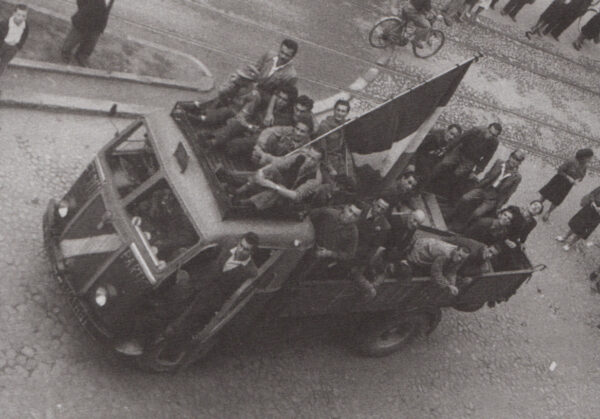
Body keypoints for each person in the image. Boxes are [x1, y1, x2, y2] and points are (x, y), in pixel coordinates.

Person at [218, 147, 323, 211]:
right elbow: (278, 164)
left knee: (277, 191)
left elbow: (296, 196)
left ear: (318, 163)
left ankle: (244, 203)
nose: (308, 160)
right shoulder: (300, 157)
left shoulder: (315, 179)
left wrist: (271, 185)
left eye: (313, 159)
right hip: (285, 184)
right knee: (271, 170)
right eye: (308, 155)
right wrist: (262, 172)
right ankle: (238, 190)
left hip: (291, 202)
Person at [221, 39, 298, 125]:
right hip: (254, 85)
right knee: (232, 81)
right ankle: (223, 104)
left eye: (287, 55)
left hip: (267, 96)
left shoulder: (291, 75)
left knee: (255, 94)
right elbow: (256, 69)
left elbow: (278, 95)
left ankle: (240, 117)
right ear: (279, 49)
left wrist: (269, 113)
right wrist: (240, 77)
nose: (283, 56)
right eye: (281, 52)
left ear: (292, 57)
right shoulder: (269, 55)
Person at [450, 149, 525, 228]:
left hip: (493, 198)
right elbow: (488, 175)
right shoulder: (499, 163)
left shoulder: (517, 177)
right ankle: (452, 217)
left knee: (477, 213)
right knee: (465, 198)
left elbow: (508, 193)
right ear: (510, 156)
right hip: (484, 189)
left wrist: (499, 206)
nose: (514, 161)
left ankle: (464, 227)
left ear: (519, 163)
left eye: (517, 160)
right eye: (513, 157)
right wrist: (478, 185)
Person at [429, 123, 502, 193]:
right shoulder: (476, 130)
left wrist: (476, 172)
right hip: (460, 151)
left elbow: (487, 158)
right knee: (444, 163)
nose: (489, 135)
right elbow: (460, 138)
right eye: (489, 132)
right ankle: (427, 181)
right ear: (486, 128)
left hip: (471, 159)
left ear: (496, 136)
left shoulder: (494, 143)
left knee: (458, 174)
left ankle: (441, 190)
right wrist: (446, 149)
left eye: (493, 135)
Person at [397, 237, 471, 295]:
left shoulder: (461, 257)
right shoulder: (445, 254)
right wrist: (447, 285)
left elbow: (452, 272)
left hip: (432, 250)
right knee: (415, 266)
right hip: (421, 247)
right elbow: (435, 273)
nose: (459, 259)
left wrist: (452, 285)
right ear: (456, 250)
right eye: (459, 255)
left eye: (462, 258)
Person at [351, 198, 392, 298]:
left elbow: (373, 247)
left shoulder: (384, 226)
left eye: (382, 209)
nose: (378, 210)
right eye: (378, 206)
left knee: (355, 271)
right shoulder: (361, 208)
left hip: (357, 253)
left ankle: (369, 289)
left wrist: (362, 263)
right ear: (373, 203)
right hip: (346, 240)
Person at [538, 148, 593, 222]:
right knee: (546, 193)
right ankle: (538, 204)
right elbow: (560, 170)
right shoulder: (571, 161)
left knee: (558, 199)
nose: (590, 159)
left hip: (567, 185)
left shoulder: (585, 165)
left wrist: (579, 179)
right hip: (559, 180)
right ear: (584, 157)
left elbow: (582, 175)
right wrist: (568, 177)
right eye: (589, 157)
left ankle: (548, 212)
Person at [61, 0, 115, 67]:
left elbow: (107, 8)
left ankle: (81, 56)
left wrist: (103, 21)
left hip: (98, 23)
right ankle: (65, 53)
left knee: (91, 42)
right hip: (84, 18)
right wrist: (84, 10)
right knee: (75, 37)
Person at [315, 99, 351, 179]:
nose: (339, 113)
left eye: (343, 111)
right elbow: (322, 151)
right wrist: (331, 169)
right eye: (338, 110)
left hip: (339, 161)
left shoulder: (345, 125)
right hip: (326, 162)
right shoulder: (324, 126)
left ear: (346, 113)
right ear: (334, 110)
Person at [556, 185, 600, 251]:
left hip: (597, 216)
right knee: (576, 223)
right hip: (589, 208)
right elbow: (592, 194)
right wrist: (593, 203)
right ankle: (565, 237)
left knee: (584, 229)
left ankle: (570, 244)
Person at [0, 4, 29, 78]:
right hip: (2, 45)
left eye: (23, 16)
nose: (21, 18)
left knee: (3, 64)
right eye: (18, 15)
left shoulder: (25, 26)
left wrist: (18, 47)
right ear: (14, 14)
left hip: (13, 47)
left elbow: (24, 37)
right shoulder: (5, 23)